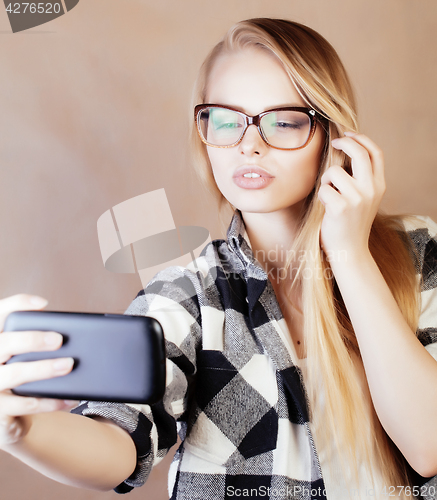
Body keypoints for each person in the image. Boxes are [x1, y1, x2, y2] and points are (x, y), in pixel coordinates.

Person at [0, 17, 436, 500]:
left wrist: (350, 254)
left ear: (333, 138)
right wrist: (22, 432)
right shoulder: (189, 296)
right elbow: (118, 439)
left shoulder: (417, 250)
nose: (248, 144)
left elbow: (429, 445)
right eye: (226, 120)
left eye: (284, 121)